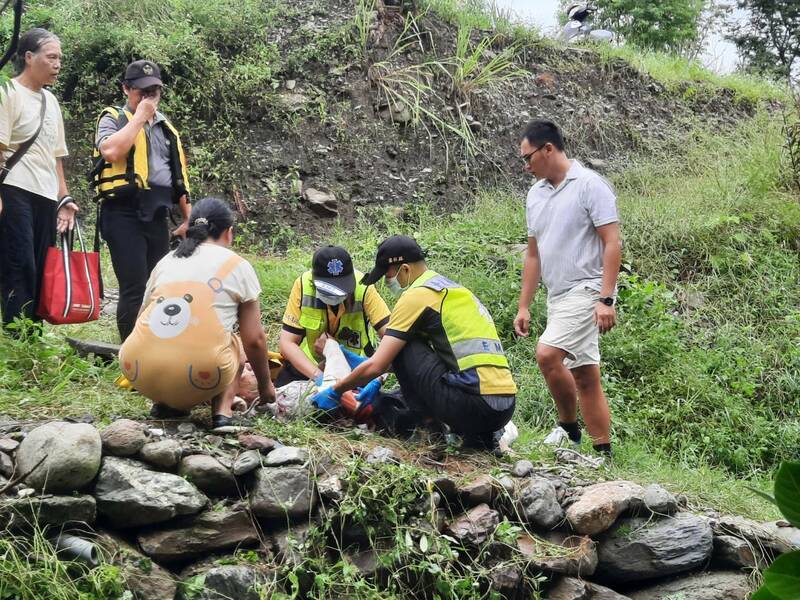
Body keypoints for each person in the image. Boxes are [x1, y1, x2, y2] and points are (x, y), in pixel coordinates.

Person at [310, 235, 516, 451]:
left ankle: (428, 429)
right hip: (503, 409)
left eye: (389, 276)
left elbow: (384, 362)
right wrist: (355, 361)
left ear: (405, 269)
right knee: (403, 346)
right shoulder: (457, 292)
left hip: (471, 405)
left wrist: (336, 390)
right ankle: (478, 439)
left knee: (403, 340)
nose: (389, 282)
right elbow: (407, 363)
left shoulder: (416, 296)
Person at [118, 197, 276, 427]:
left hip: (135, 368)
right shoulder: (237, 265)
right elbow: (255, 340)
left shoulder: (166, 261)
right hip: (201, 372)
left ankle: (165, 404)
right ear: (228, 233)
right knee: (236, 344)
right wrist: (265, 386)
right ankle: (222, 413)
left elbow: (142, 318)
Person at [513, 119, 621, 455]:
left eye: (527, 157)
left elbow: (612, 242)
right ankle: (603, 452)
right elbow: (534, 254)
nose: (525, 166)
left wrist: (606, 299)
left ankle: (568, 428)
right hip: (557, 294)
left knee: (547, 354)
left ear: (548, 149)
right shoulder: (535, 194)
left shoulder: (590, 185)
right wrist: (524, 305)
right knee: (586, 376)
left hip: (587, 289)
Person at [92, 59, 191, 342]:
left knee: (158, 286)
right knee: (134, 286)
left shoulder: (166, 129)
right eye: (142, 92)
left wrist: (188, 218)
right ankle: (130, 355)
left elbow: (179, 178)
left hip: (157, 214)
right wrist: (139, 117)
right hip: (122, 213)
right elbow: (110, 151)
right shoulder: (113, 117)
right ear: (126, 89)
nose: (149, 99)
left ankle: (153, 350)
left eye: (154, 93)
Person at [0, 28, 78, 331]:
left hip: (45, 194)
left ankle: (33, 331)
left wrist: (65, 198)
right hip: (15, 188)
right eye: (52, 57)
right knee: (20, 263)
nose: (58, 64)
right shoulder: (8, 92)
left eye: (60, 58)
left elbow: (55, 155)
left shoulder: (51, 101)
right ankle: (18, 333)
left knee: (41, 265)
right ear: (29, 57)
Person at [277, 245, 391, 386]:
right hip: (310, 366)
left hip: (355, 367)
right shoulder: (303, 285)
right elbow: (287, 343)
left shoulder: (364, 287)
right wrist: (320, 378)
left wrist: (377, 371)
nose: (334, 295)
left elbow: (391, 335)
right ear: (314, 280)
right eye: (329, 289)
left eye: (341, 289)